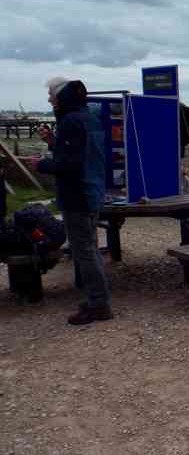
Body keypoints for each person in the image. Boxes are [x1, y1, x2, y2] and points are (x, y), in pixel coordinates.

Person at [36, 78, 111, 325]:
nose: (49, 99)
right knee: (90, 248)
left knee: (85, 252)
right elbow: (81, 154)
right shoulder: (88, 117)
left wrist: (41, 164)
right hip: (92, 191)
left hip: (78, 195)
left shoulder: (70, 121)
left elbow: (69, 165)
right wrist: (53, 143)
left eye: (51, 94)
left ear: (62, 96)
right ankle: (97, 300)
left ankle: (98, 304)